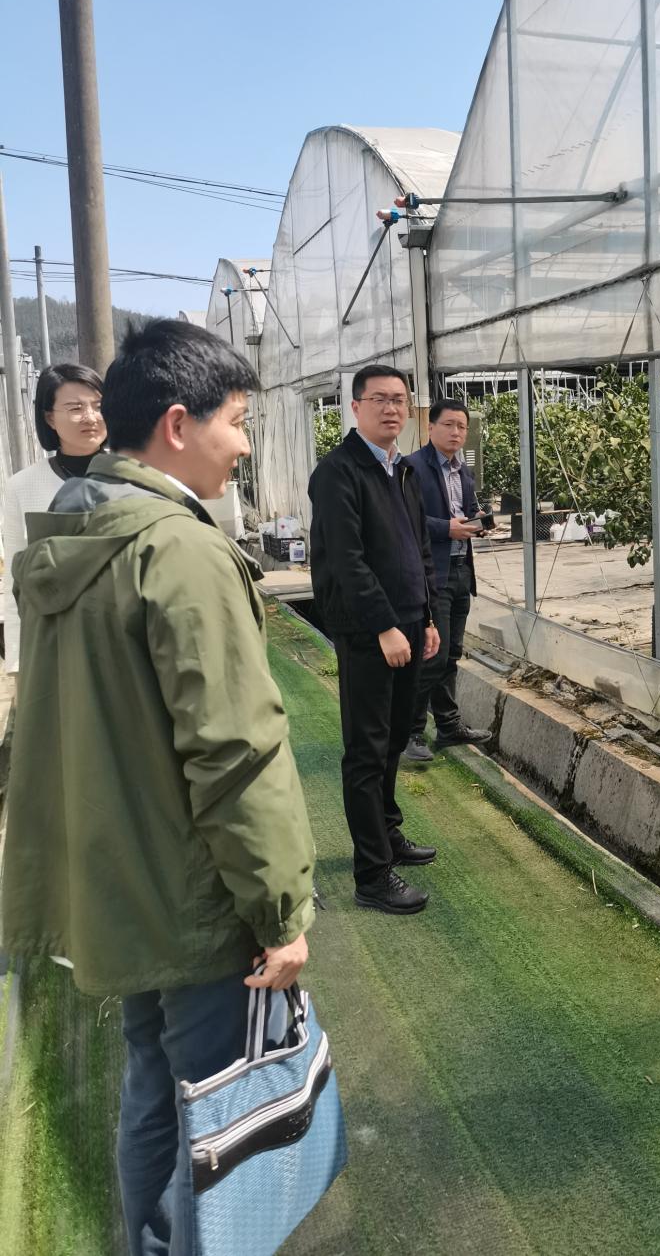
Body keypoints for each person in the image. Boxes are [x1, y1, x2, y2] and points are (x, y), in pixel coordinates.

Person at [0, 319, 316, 1255]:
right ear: (178, 424)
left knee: (153, 1084)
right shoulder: (176, 549)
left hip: (118, 880)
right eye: (237, 421)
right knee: (212, 1108)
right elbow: (235, 750)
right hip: (188, 890)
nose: (245, 444)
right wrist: (280, 910)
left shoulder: (72, 532)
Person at [308, 365, 441, 915]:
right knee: (366, 749)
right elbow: (347, 560)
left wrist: (427, 617)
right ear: (356, 407)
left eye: (400, 400)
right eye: (380, 399)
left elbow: (419, 549)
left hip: (409, 623)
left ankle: (387, 833)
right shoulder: (337, 472)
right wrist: (384, 626)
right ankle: (372, 873)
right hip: (369, 631)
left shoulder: (402, 470)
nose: (391, 409)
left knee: (392, 741)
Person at [2, 362, 106, 680]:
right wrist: (18, 664)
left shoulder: (132, 476)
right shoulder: (22, 486)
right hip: (56, 643)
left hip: (120, 638)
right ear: (49, 417)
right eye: (75, 408)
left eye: (98, 406)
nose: (90, 417)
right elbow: (15, 582)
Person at [402, 399, 492, 762]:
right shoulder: (412, 468)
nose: (456, 432)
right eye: (449, 425)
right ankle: (409, 732)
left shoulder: (463, 471)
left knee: (451, 653)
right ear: (431, 427)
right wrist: (446, 529)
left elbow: (465, 514)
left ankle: (448, 724)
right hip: (432, 574)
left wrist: (477, 521)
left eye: (462, 427)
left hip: (460, 570)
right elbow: (403, 520)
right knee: (432, 656)